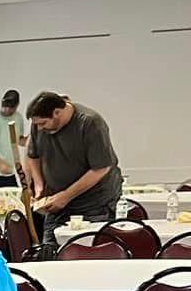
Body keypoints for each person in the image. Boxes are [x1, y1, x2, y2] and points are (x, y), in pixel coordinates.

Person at [25, 90, 122, 246]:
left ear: (57, 112)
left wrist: (66, 196)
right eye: (37, 125)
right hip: (57, 201)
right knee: (49, 249)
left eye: (43, 123)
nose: (40, 129)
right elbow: (33, 156)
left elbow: (100, 169)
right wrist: (39, 185)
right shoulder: (39, 125)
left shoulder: (90, 123)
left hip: (94, 203)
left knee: (86, 250)